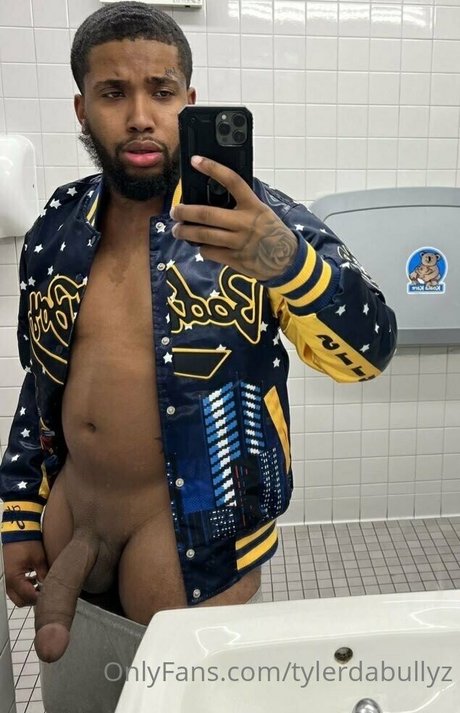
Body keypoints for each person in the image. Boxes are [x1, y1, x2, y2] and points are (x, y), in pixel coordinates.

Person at [0, 1, 397, 667]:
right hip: (71, 517)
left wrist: (287, 262)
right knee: (86, 695)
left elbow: (371, 350)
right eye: (113, 93)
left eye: (160, 92)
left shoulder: (259, 220)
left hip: (198, 542)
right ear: (81, 109)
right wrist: (17, 510)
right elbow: (40, 384)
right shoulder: (58, 226)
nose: (139, 116)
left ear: (189, 102)